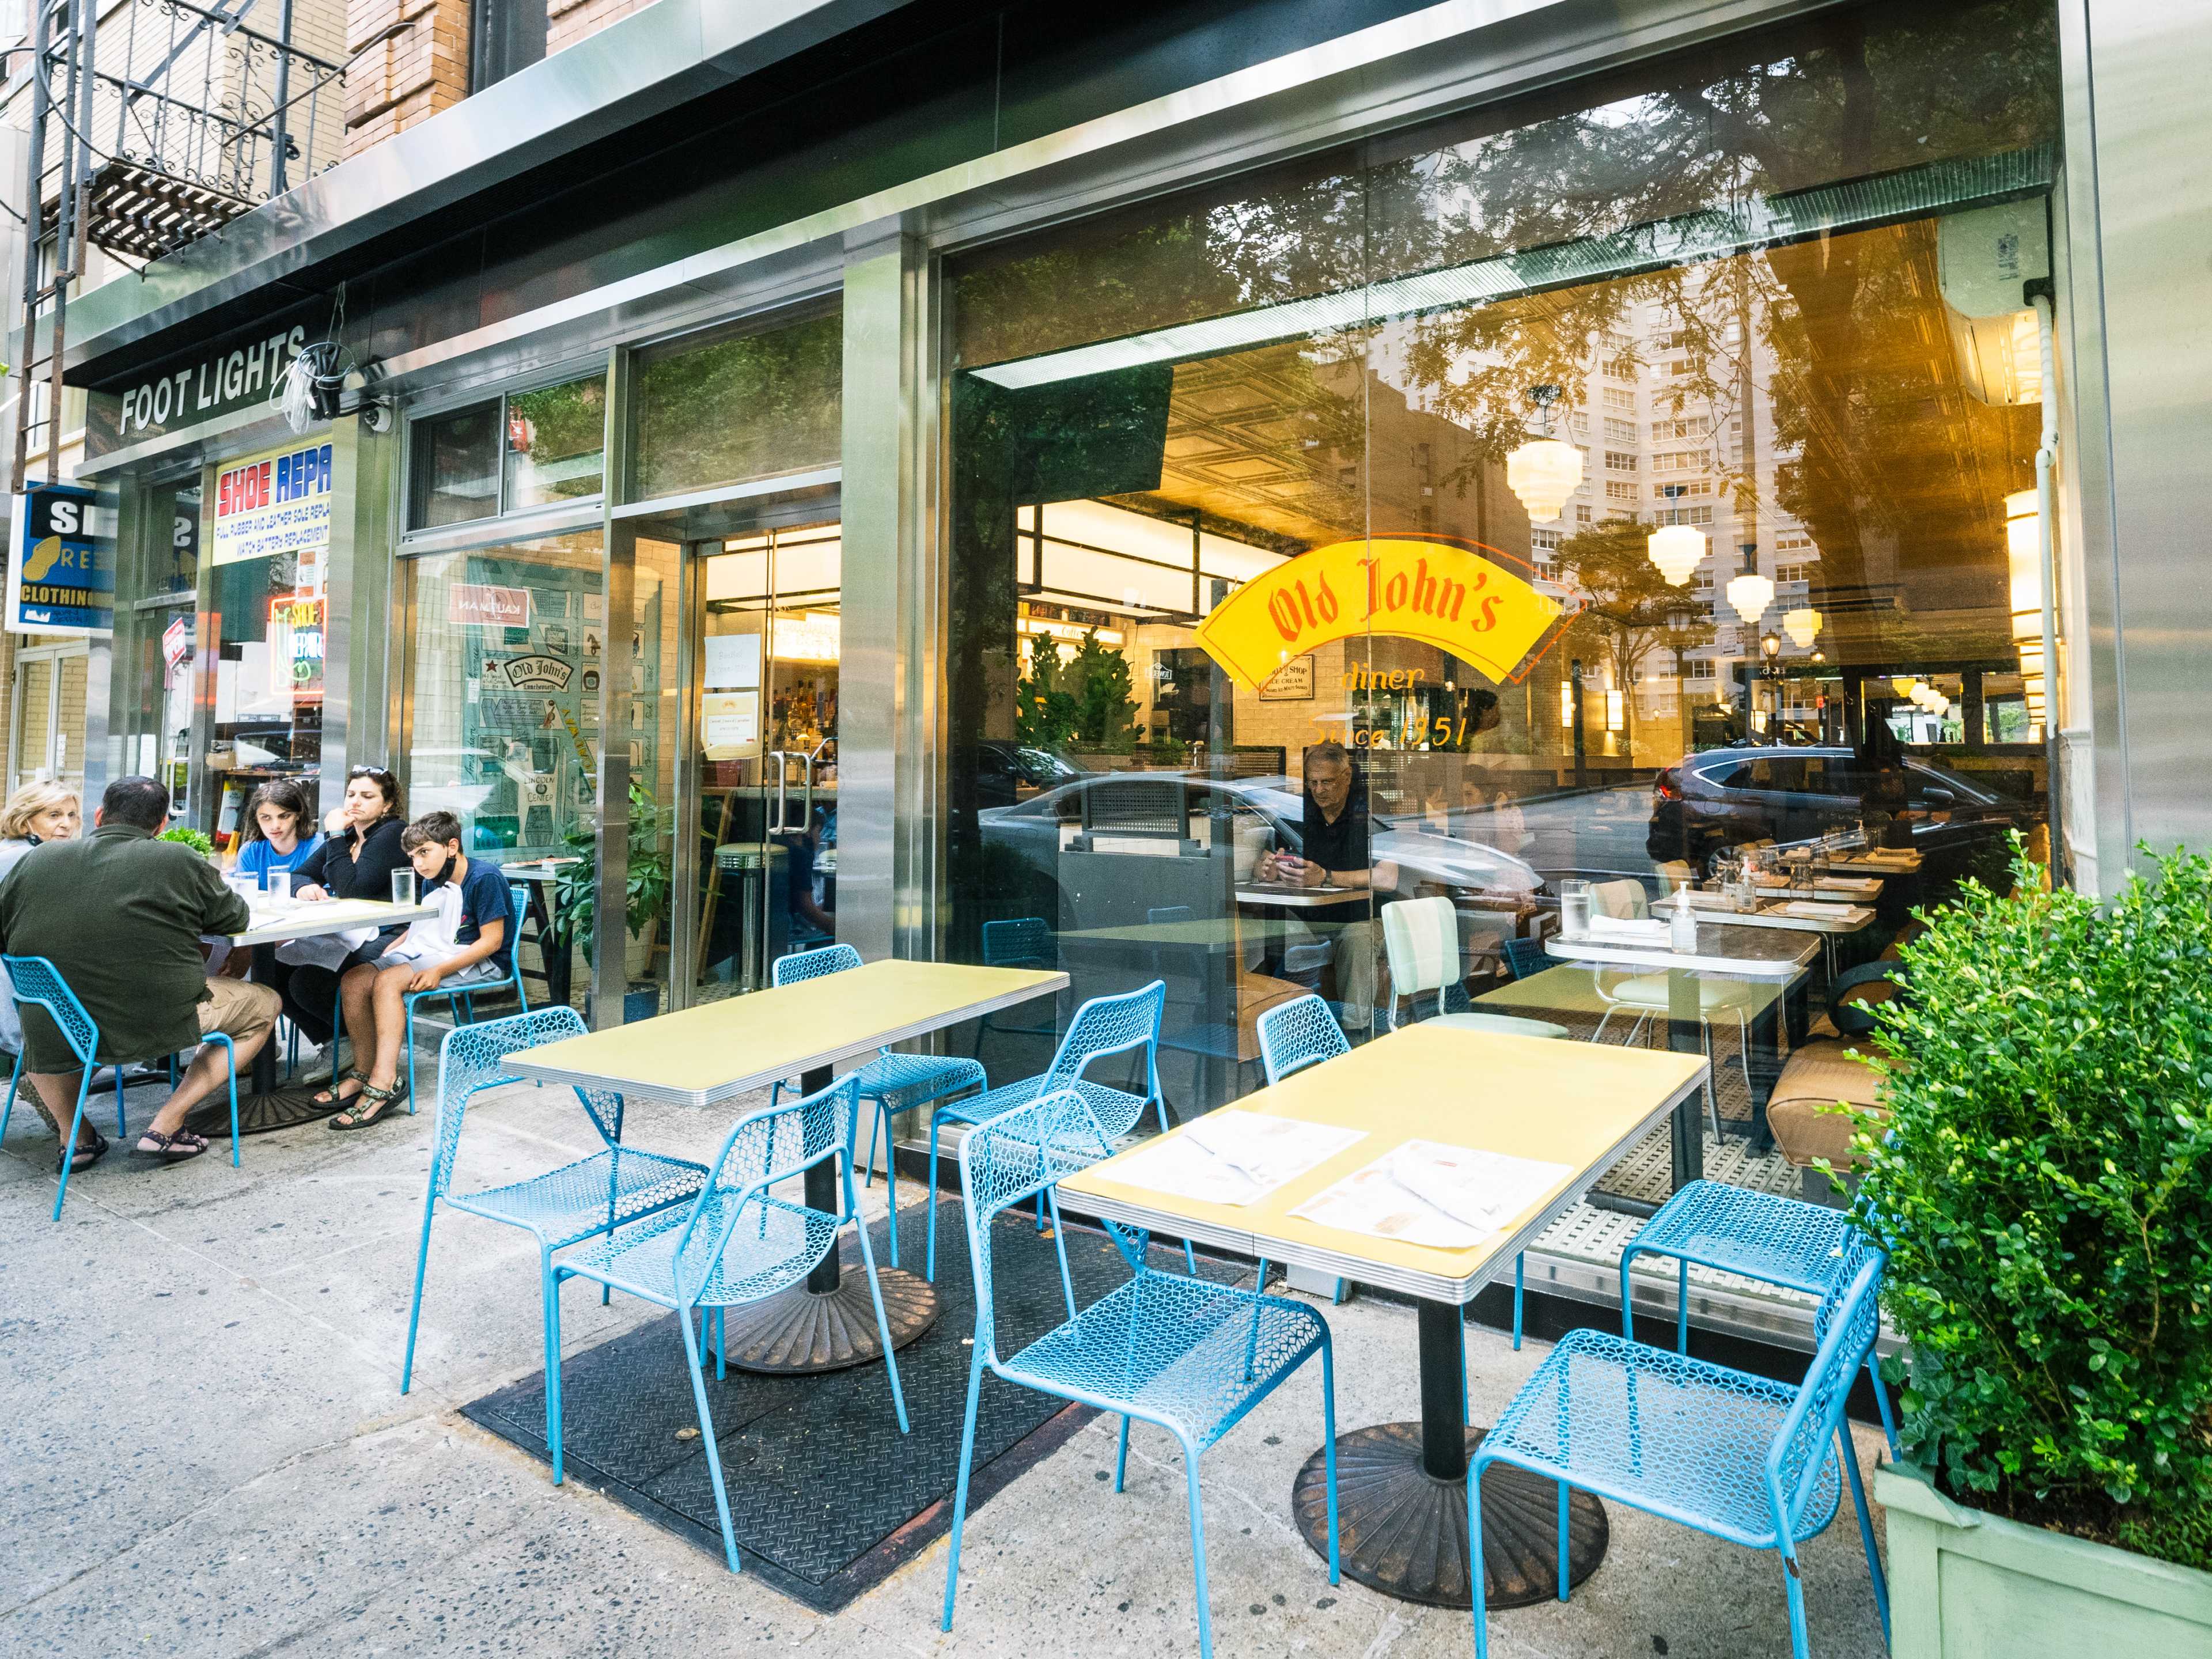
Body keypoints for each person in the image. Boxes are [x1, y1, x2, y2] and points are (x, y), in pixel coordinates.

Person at [0, 775, 279, 1167]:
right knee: (265, 1003)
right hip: (152, 1023)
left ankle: (75, 1138)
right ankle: (167, 1124)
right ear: (161, 825)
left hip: (60, 1027)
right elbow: (235, 916)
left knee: (43, 1016)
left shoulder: (38, 860)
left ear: (98, 816)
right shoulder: (177, 858)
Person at [324, 810, 512, 1130]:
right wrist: (395, 947)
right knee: (355, 980)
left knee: (386, 982)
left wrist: (439, 971)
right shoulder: (432, 880)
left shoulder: (484, 878)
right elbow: (423, 928)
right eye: (413, 857)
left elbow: (492, 943)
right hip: (436, 951)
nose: (419, 864)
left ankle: (385, 1083)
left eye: (425, 852)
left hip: (476, 960)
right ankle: (363, 1071)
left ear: (452, 846)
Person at [1254, 741, 1397, 1029]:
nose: (1319, 790)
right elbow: (1268, 859)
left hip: (1367, 916)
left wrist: (1327, 877)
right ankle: (1281, 1030)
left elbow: (1388, 878)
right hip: (1313, 918)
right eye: (1313, 782)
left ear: (1346, 776)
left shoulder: (1371, 808)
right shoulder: (1299, 810)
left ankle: (1356, 1031)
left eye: (1327, 782)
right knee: (1269, 931)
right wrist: (1267, 869)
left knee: (1357, 939)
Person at [282, 766, 410, 1070]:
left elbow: (352, 888)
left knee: (306, 979)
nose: (355, 802)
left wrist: (336, 834)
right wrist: (306, 887)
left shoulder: (392, 833)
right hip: (349, 930)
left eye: (367, 796)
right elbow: (296, 875)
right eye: (351, 795)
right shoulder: (351, 835)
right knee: (275, 968)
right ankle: (335, 1041)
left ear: (387, 804)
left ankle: (360, 1042)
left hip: (392, 932)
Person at [0, 781, 81, 1059]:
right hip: (23, 990)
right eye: (54, 815)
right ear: (25, 822)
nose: (67, 825)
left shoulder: (10, 850)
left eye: (71, 815)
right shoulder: (33, 858)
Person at [228, 778, 321, 891]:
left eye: (284, 816)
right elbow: (244, 899)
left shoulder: (321, 847)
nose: (275, 825)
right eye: (266, 818)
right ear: (256, 818)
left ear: (298, 815)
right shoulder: (249, 852)